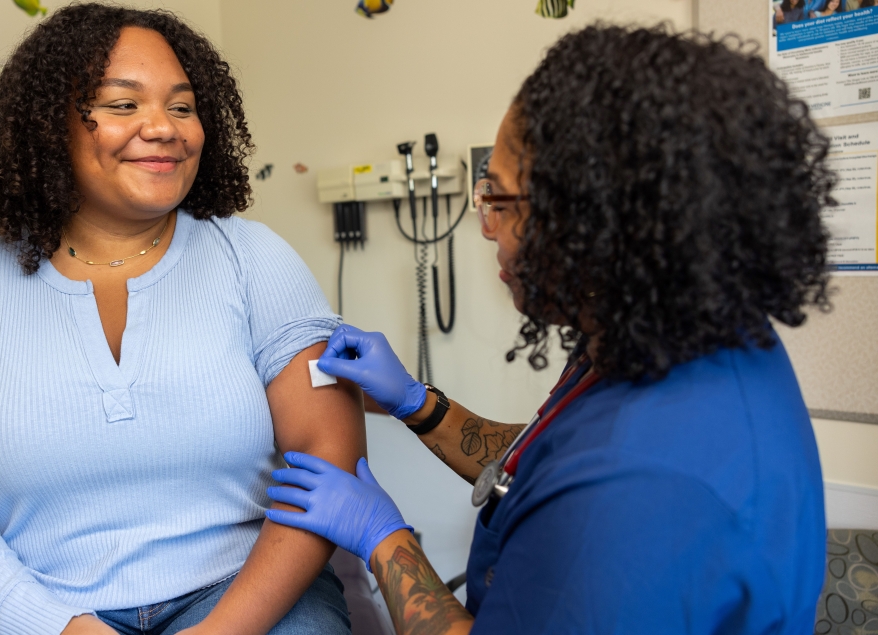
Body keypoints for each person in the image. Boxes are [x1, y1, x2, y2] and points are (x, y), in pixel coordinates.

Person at [267, 25, 832, 634]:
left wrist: (385, 540)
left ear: (595, 227)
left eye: (503, 201)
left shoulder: (632, 495)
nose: (486, 225)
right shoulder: (679, 334)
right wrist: (417, 403)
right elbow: (547, 460)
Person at [0, 5, 361, 635]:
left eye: (183, 107)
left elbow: (326, 452)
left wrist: (222, 632)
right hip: (39, 606)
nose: (164, 128)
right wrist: (54, 625)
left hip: (246, 600)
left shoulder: (254, 259)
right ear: (50, 126)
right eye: (122, 104)